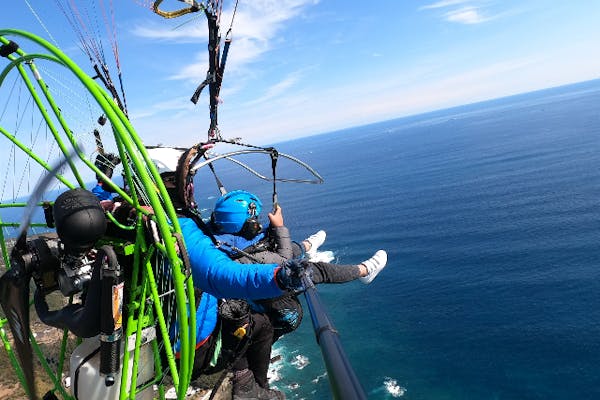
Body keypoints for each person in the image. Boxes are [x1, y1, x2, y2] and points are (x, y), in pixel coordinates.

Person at [147, 146, 298, 400]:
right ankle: (253, 389)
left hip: (159, 340)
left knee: (245, 316)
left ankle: (250, 384)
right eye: (187, 180)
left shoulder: (138, 218)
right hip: (190, 351)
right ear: (173, 185)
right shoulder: (178, 229)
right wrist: (279, 277)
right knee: (260, 325)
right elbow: (221, 274)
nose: (191, 187)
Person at [209, 190, 388, 339]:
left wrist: (273, 232)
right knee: (318, 270)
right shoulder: (246, 257)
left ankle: (307, 245)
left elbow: (262, 248)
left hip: (257, 290)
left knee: (283, 247)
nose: (258, 224)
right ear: (247, 225)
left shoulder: (222, 241)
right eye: (255, 220)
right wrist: (280, 227)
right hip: (277, 306)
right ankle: (365, 271)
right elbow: (285, 263)